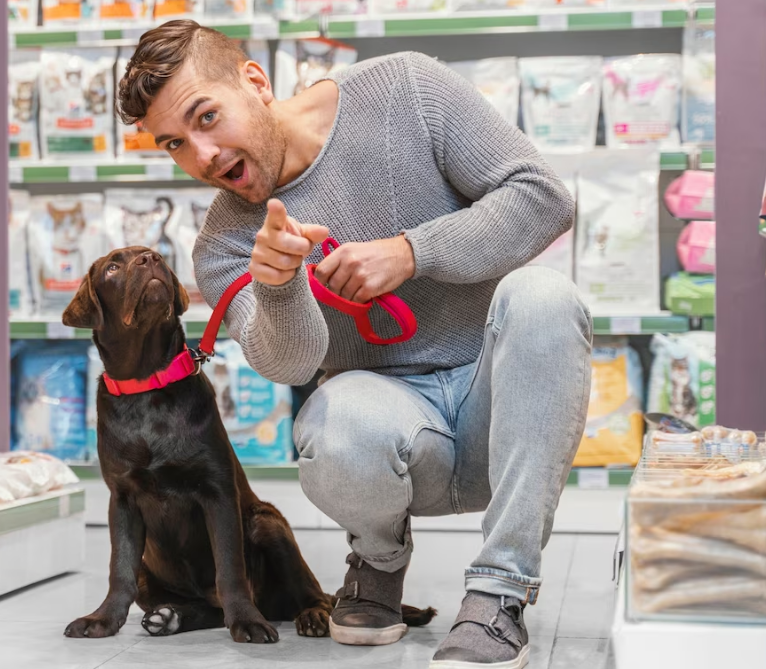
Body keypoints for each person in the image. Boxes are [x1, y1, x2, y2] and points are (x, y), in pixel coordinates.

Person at [117, 20, 592, 669]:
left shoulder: (405, 88)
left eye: (206, 117)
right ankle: (377, 560)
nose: (200, 156)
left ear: (255, 82)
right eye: (175, 143)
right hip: (394, 435)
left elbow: (543, 198)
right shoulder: (226, 244)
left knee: (544, 296)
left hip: (501, 406)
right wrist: (280, 287)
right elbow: (290, 365)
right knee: (330, 420)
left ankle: (498, 591)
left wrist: (413, 252)